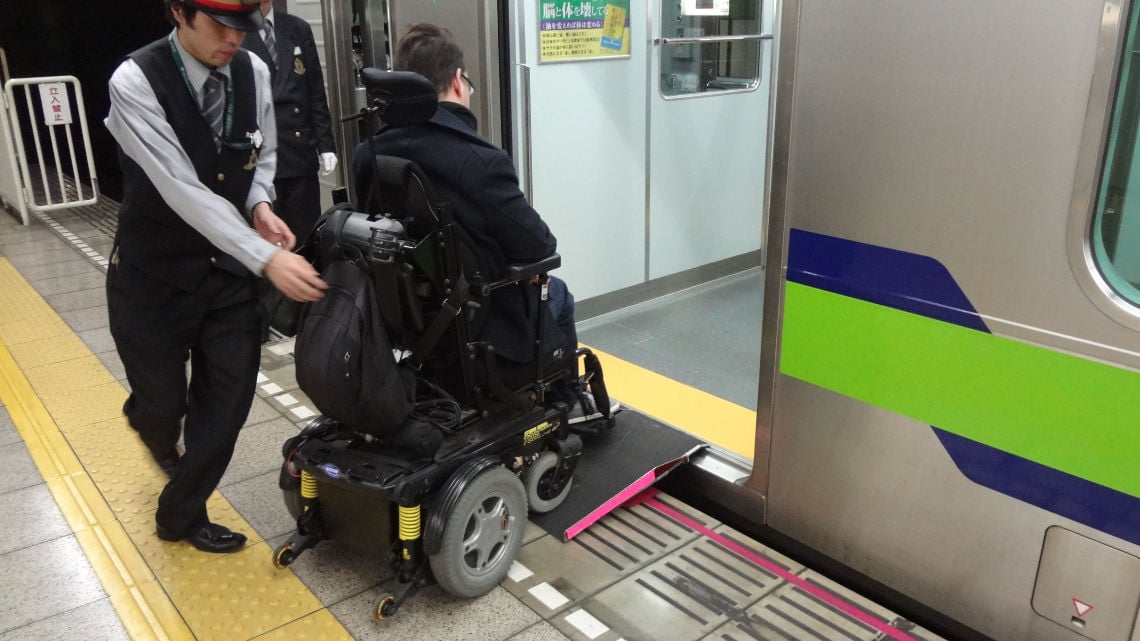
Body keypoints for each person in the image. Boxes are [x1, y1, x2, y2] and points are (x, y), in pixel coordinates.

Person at [104, 0, 327, 553]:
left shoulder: (251, 70)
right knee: (162, 409)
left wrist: (259, 203)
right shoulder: (135, 81)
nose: (234, 39)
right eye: (220, 25)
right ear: (179, 11)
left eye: (243, 26)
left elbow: (262, 155)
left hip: (227, 279)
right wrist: (266, 256)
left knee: (224, 408)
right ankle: (149, 417)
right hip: (152, 276)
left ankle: (180, 514)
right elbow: (181, 188)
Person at [352, 23, 616, 423]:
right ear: (458, 81)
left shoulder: (368, 155)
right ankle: (564, 402)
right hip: (483, 329)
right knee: (556, 293)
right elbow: (540, 247)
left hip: (407, 322)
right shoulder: (480, 163)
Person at [244, 0, 337, 240]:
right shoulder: (236, 29)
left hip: (300, 153)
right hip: (260, 156)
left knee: (306, 235)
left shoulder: (297, 28)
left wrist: (325, 144)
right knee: (270, 239)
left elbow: (315, 90)